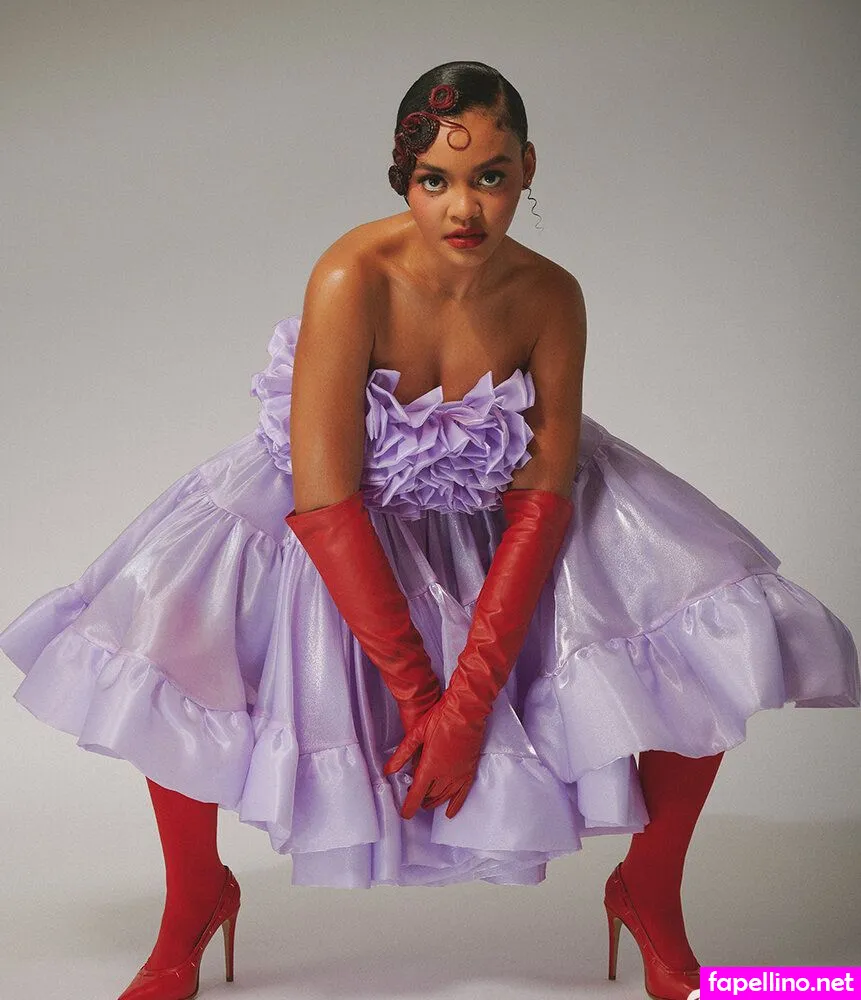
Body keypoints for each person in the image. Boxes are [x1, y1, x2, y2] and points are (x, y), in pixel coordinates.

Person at [0, 60, 857, 1000]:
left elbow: (543, 499)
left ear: (527, 167)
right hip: (341, 515)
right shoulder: (351, 275)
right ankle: (195, 898)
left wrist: (471, 705)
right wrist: (422, 704)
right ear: (401, 176)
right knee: (171, 639)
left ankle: (647, 890)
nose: (463, 208)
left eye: (489, 176)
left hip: (506, 513)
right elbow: (326, 503)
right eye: (433, 180)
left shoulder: (551, 295)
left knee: (708, 627)